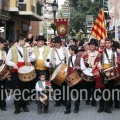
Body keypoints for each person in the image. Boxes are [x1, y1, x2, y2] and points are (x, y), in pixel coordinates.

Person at [6, 33, 36, 114]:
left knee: (25, 90)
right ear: (20, 40)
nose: (25, 42)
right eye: (24, 41)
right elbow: (7, 60)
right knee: (16, 90)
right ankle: (17, 107)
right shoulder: (11, 49)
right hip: (15, 72)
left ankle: (24, 105)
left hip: (24, 72)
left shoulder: (26, 49)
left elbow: (32, 57)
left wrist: (29, 61)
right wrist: (13, 64)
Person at [45, 36, 70, 106]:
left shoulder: (66, 49)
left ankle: (65, 101)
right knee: (56, 87)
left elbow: (69, 59)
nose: (56, 44)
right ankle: (58, 101)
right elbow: (46, 62)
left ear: (61, 43)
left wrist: (67, 69)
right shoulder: (51, 50)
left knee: (64, 87)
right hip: (55, 70)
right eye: (55, 43)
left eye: (58, 42)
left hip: (64, 70)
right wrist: (49, 63)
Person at [97, 37, 117, 113]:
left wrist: (116, 63)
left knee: (109, 90)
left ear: (111, 43)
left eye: (109, 43)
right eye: (106, 43)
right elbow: (98, 62)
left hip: (111, 73)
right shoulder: (101, 52)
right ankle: (101, 107)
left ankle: (107, 108)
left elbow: (116, 65)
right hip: (103, 73)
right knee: (102, 91)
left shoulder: (114, 53)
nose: (107, 44)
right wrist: (100, 66)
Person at [81, 38, 98, 106]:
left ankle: (93, 101)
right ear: (89, 45)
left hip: (95, 71)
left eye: (93, 45)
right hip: (87, 71)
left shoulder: (98, 54)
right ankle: (87, 99)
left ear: (95, 46)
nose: (92, 46)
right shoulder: (84, 53)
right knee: (87, 87)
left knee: (95, 87)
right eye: (91, 44)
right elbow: (81, 62)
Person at [64, 45, 81, 114]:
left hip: (77, 77)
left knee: (77, 94)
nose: (69, 51)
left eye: (70, 49)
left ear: (73, 51)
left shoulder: (79, 58)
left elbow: (83, 67)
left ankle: (76, 108)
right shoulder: (69, 58)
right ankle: (68, 108)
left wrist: (79, 67)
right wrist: (65, 71)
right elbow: (68, 66)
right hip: (69, 77)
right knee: (68, 94)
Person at [0, 37, 7, 111]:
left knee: (2, 89)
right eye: (3, 44)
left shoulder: (4, 52)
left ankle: (3, 104)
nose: (4, 45)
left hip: (2, 73)